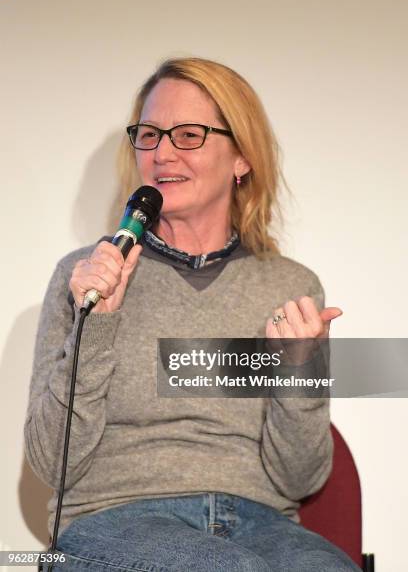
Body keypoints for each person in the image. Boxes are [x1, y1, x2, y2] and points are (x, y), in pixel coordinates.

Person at [25, 57, 360, 571]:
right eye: (150, 134)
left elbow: (303, 479)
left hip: (261, 523)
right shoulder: (85, 275)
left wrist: (297, 377)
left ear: (241, 157)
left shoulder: (292, 287)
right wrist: (99, 324)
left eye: (187, 134)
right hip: (114, 520)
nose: (161, 152)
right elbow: (52, 461)